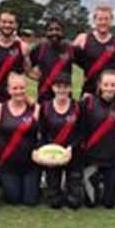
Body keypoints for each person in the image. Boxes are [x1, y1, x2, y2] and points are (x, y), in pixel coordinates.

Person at [0, 72, 40, 206]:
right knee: (14, 199)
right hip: (7, 165)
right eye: (15, 88)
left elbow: (41, 135)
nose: (19, 91)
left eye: (22, 88)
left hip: (30, 165)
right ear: (8, 90)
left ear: (26, 88)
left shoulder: (36, 109)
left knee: (30, 201)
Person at [36, 73, 83, 209]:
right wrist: (43, 151)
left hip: (72, 154)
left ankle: (72, 188)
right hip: (53, 155)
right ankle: (54, 188)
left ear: (70, 88)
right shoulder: (45, 107)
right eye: (58, 86)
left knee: (74, 203)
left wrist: (71, 148)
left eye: (65, 87)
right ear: (53, 88)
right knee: (55, 203)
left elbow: (82, 132)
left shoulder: (78, 107)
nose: (62, 90)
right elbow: (42, 133)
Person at [80, 69, 115, 209]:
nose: (109, 88)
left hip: (112, 159)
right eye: (106, 84)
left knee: (109, 204)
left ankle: (106, 184)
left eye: (113, 85)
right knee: (91, 203)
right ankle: (92, 181)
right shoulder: (88, 103)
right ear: (99, 85)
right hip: (92, 159)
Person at [0, 11, 32, 102]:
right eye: (4, 22)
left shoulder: (23, 47)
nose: (7, 25)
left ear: (16, 25)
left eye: (11, 22)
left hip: (17, 98)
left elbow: (27, 71)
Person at [73, 4, 115, 97]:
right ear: (94, 20)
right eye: (100, 19)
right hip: (88, 92)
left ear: (111, 21)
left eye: (106, 19)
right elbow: (65, 57)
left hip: (109, 93)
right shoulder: (83, 39)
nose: (103, 22)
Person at [29, 19, 74, 103]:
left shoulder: (71, 49)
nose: (54, 32)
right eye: (51, 30)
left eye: (57, 29)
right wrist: (32, 75)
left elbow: (86, 66)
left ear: (62, 32)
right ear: (46, 32)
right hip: (44, 97)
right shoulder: (39, 49)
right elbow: (26, 65)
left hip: (65, 97)